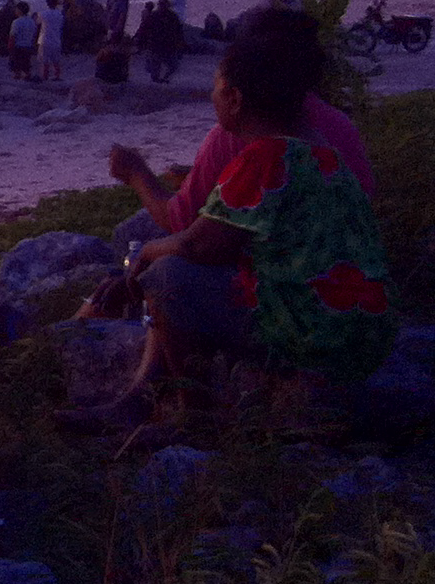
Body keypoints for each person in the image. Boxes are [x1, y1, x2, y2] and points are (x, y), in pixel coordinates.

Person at [60, 32, 397, 432]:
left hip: (317, 336)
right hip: (363, 331)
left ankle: (192, 418)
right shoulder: (324, 155)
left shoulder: (266, 156)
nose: (212, 98)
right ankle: (148, 400)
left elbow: (195, 243)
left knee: (170, 277)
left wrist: (144, 255)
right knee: (183, 274)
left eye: (216, 89)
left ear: (235, 101)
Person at [108, 5, 374, 239]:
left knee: (142, 248)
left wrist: (135, 172)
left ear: (236, 97)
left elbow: (189, 234)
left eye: (216, 86)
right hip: (343, 275)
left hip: (286, 287)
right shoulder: (334, 128)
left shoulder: (251, 149)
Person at [135, 0, 186, 84]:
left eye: (163, 5)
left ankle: (162, 79)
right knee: (159, 66)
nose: (162, 7)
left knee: (172, 66)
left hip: (166, 45)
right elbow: (143, 29)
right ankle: (159, 80)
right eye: (161, 5)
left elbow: (178, 31)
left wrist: (180, 43)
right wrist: (141, 41)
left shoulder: (171, 16)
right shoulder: (156, 16)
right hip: (157, 45)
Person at [37, 0, 65, 82]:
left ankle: (45, 77)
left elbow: (37, 22)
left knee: (45, 61)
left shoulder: (44, 14)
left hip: (44, 39)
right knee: (56, 61)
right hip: (56, 40)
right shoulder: (60, 14)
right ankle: (57, 76)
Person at [8, 2, 40, 80]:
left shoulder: (16, 22)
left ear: (19, 10)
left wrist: (10, 47)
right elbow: (34, 34)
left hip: (18, 46)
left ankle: (17, 76)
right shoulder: (32, 21)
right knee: (26, 62)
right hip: (28, 45)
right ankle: (27, 75)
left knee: (16, 63)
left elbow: (12, 35)